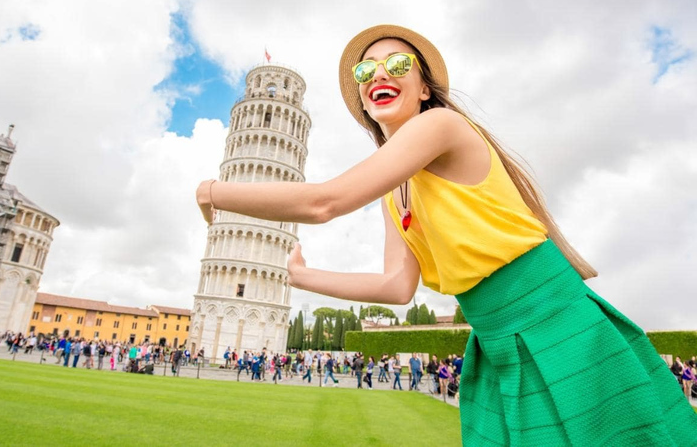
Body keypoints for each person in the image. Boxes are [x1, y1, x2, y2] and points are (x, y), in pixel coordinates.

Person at [197, 25, 697, 443]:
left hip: (553, 323)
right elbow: (396, 287)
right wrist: (303, 278)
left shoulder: (441, 126)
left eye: (397, 65)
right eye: (364, 72)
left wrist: (215, 191)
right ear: (365, 103)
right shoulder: (397, 193)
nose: (378, 76)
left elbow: (323, 202)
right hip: (495, 342)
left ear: (423, 88)